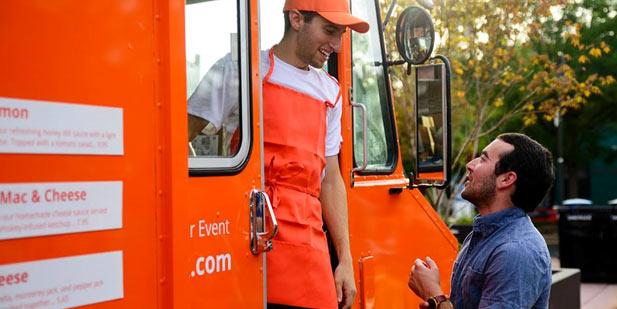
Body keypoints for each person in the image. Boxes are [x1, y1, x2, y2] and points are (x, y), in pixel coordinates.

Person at [187, 0, 369, 308]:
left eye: (340, 35)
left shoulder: (331, 91)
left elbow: (330, 178)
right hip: (251, 239)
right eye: (329, 31)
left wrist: (345, 259)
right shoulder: (240, 71)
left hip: (308, 241)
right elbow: (180, 140)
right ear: (297, 19)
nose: (337, 45)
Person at [408, 133, 555, 308]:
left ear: (506, 179)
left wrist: (434, 295)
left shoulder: (515, 251)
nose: (470, 165)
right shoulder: (485, 234)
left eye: (483, 159)